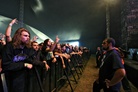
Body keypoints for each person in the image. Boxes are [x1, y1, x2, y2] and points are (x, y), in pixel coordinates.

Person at [2, 28, 35, 92]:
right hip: (12, 80)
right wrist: (24, 65)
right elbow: (6, 65)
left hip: (24, 79)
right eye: (25, 36)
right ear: (18, 36)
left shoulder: (27, 48)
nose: (28, 38)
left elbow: (31, 59)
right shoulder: (9, 47)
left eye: (28, 36)